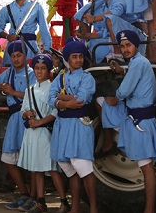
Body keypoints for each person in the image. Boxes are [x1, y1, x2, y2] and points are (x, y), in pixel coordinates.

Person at [101, 30, 156, 213]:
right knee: (100, 103)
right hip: (136, 116)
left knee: (146, 167)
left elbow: (124, 91)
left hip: (141, 122)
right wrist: (122, 70)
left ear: (136, 45)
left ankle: (149, 210)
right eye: (123, 46)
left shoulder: (138, 63)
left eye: (128, 45)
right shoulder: (137, 62)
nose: (125, 49)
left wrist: (114, 98)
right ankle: (109, 138)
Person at [49, 41, 97, 213]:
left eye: (80, 57)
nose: (78, 60)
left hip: (79, 125)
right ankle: (75, 207)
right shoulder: (60, 78)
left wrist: (61, 101)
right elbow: (50, 99)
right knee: (69, 168)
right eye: (74, 57)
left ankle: (93, 208)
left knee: (83, 166)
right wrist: (67, 102)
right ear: (68, 59)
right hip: (62, 126)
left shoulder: (87, 78)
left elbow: (81, 100)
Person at [17, 53, 66, 213]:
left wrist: (38, 121)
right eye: (36, 68)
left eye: (42, 68)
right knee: (36, 168)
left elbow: (55, 113)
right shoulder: (29, 89)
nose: (39, 71)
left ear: (48, 70)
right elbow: (23, 111)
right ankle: (40, 202)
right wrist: (27, 114)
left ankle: (64, 202)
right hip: (31, 134)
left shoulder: (53, 88)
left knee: (51, 169)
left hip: (45, 133)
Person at [0, 41, 36, 211]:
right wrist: (2, 86)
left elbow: (34, 94)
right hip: (13, 119)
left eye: (19, 55)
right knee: (9, 159)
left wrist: (11, 92)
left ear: (25, 56)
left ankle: (34, 197)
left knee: (31, 160)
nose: (16, 59)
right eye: (13, 56)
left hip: (27, 118)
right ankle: (24, 194)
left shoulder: (31, 73)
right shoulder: (9, 71)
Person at [74, 0, 145, 63]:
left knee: (110, 18)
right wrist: (86, 35)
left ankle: (118, 55)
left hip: (132, 32)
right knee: (93, 43)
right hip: (117, 35)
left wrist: (94, 18)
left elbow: (114, 14)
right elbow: (103, 32)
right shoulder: (104, 5)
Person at [0, 0, 52, 64]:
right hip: (13, 48)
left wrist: (47, 49)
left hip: (30, 49)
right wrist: (7, 36)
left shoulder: (36, 7)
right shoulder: (6, 9)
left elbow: (44, 29)